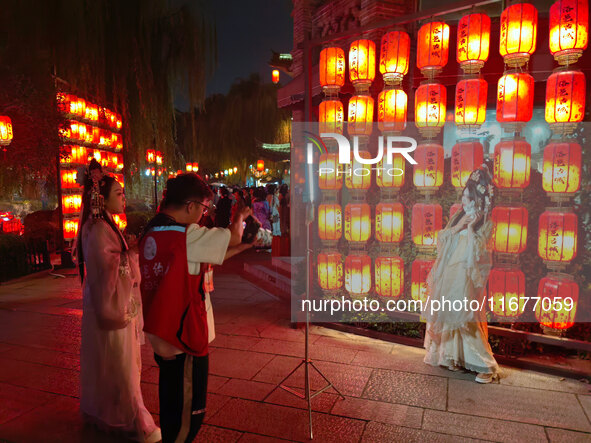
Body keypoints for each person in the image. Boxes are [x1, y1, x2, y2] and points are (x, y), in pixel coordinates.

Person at [139, 173, 252, 442]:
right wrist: (240, 216)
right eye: (204, 208)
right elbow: (233, 237)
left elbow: (212, 254)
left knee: (171, 407)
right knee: (188, 417)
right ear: (190, 206)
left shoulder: (153, 231)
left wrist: (247, 245)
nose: (204, 215)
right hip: (184, 337)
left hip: (162, 331)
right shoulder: (185, 234)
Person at [77, 160, 160, 442]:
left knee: (114, 363)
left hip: (109, 304)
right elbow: (107, 268)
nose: (124, 198)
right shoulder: (99, 228)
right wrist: (131, 252)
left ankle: (113, 412)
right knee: (121, 364)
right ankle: (132, 418)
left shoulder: (103, 225)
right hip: (111, 306)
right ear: (102, 197)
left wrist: (128, 250)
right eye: (119, 193)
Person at [422, 165, 499, 384]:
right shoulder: (459, 216)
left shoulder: (485, 222)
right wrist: (459, 227)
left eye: (469, 198)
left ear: (479, 200)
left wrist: (473, 228)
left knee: (466, 317)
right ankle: (451, 357)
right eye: (464, 196)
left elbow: (480, 254)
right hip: (450, 271)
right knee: (448, 313)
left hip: (466, 275)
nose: (464, 201)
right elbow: (443, 238)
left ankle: (485, 365)